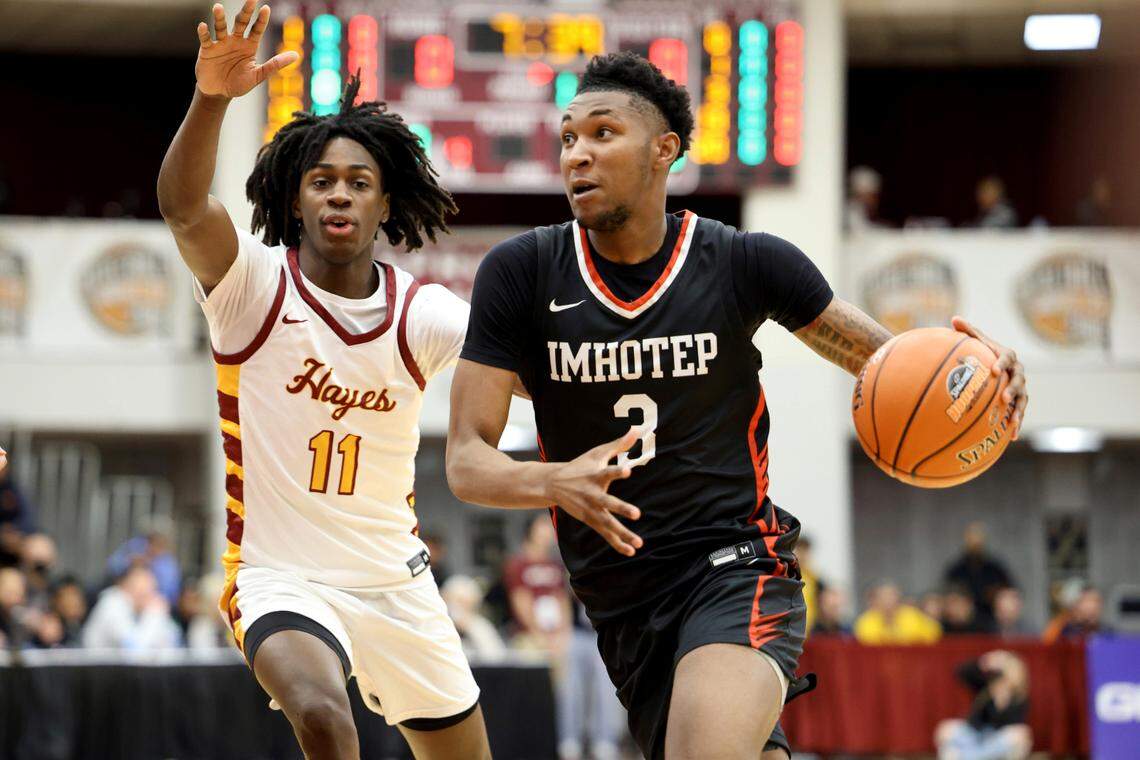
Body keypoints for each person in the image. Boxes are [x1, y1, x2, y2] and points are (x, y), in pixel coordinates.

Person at [445, 51, 1030, 760]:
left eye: (602, 133)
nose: (578, 154)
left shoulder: (743, 262)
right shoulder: (523, 273)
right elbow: (467, 463)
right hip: (620, 599)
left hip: (734, 565)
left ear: (665, 150)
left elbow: (892, 368)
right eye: (568, 138)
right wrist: (551, 480)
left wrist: (984, 384)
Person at [155, 3, 490, 757]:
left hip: (397, 582)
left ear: (385, 203)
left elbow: (533, 378)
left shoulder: (424, 313)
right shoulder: (252, 286)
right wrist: (211, 98)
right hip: (280, 579)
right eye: (321, 180)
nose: (339, 193)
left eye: (359, 182)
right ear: (293, 199)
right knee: (321, 715)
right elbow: (181, 208)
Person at [934, 650, 1032, 760]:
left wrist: (1002, 700)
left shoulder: (1019, 698)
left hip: (997, 740)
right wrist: (985, 661)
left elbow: (1013, 728)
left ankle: (968, 757)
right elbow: (960, 672)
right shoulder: (984, 688)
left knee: (1019, 735)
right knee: (946, 729)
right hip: (975, 735)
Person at [504, 514, 571, 651]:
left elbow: (562, 598)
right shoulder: (518, 564)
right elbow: (520, 599)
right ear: (531, 530)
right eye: (543, 526)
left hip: (556, 636)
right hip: (528, 636)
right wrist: (537, 632)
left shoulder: (555, 565)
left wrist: (563, 631)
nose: (549, 532)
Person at [81, 564, 181, 650]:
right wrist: (154, 615)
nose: (150, 596)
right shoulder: (112, 602)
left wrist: (161, 617)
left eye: (151, 590)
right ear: (125, 585)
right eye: (142, 590)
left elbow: (172, 643)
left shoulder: (141, 610)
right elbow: (134, 652)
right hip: (92, 670)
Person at [943, 522, 1014, 627]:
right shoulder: (956, 570)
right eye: (972, 538)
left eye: (978, 539)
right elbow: (947, 594)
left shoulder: (995, 570)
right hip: (959, 625)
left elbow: (1008, 592)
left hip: (992, 623)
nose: (975, 543)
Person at [854, 581, 941, 645]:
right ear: (876, 600)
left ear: (899, 598)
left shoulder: (911, 614)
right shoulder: (866, 620)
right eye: (884, 597)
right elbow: (868, 640)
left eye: (892, 595)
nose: (888, 600)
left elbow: (934, 632)